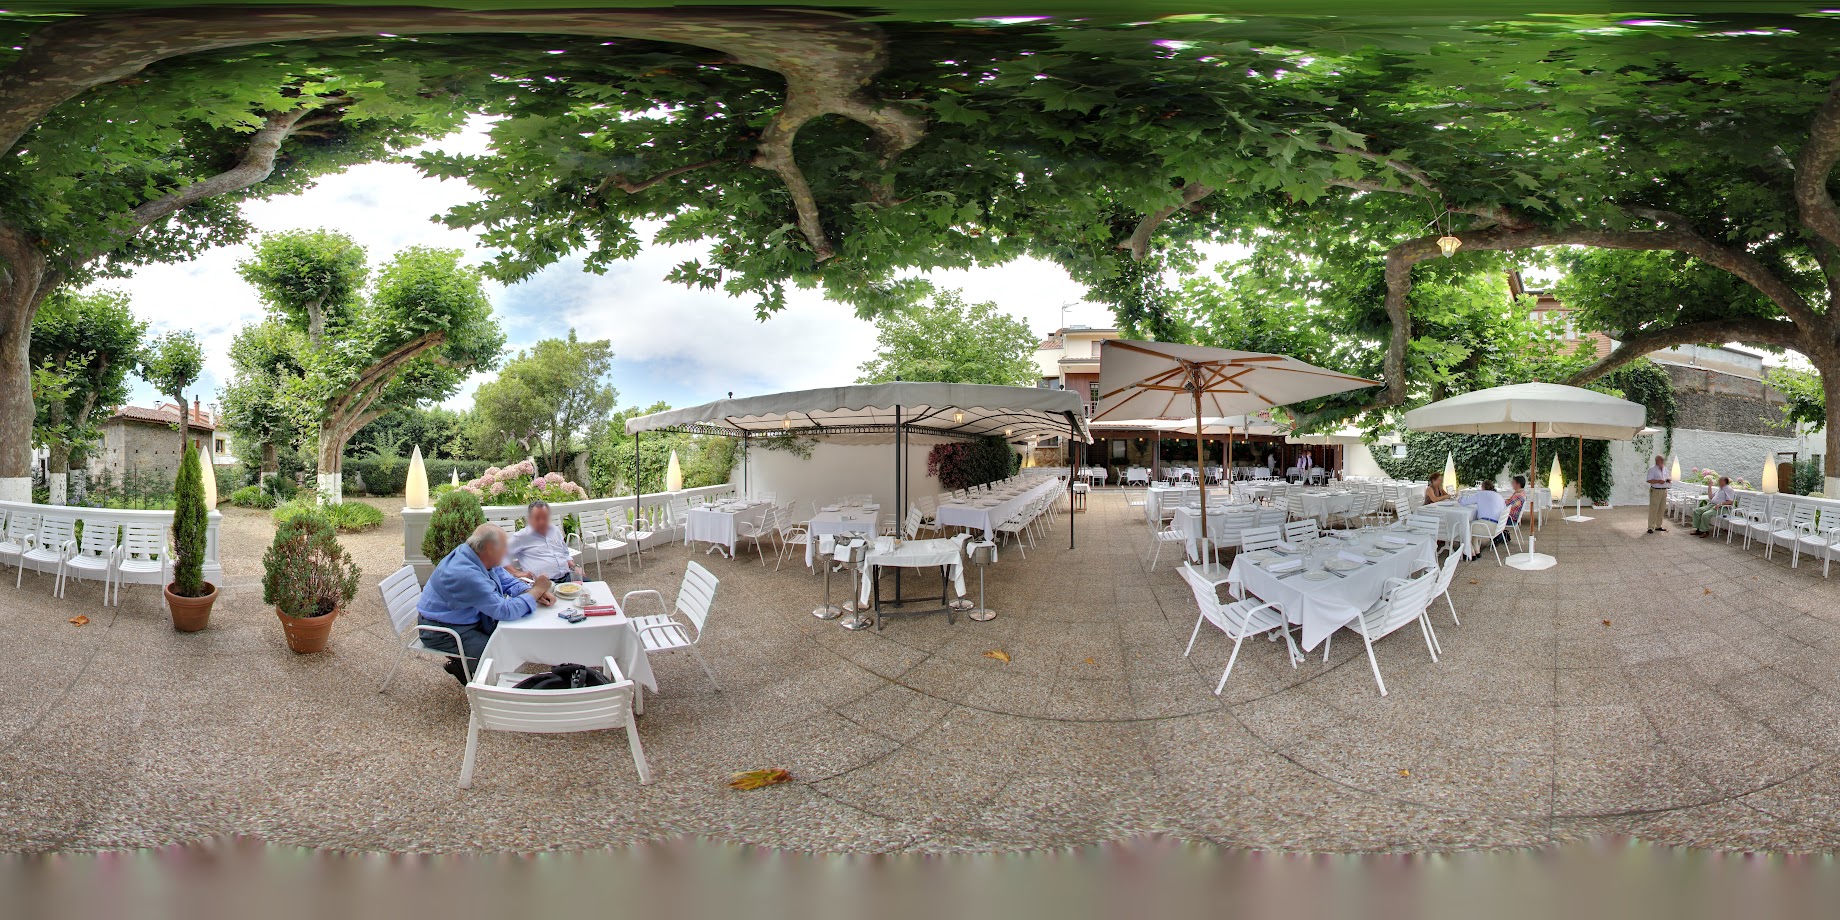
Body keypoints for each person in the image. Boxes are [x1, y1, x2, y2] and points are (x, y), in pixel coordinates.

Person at [417, 524, 554, 684]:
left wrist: (530, 592)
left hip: (464, 619)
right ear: (489, 548)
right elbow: (505, 611)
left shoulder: (475, 555)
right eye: (505, 546)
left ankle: (466, 666)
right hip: (442, 631)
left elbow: (506, 580)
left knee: (512, 636)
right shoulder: (466, 574)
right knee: (500, 654)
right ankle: (484, 686)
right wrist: (536, 590)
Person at [506, 500, 582, 584]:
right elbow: (498, 555)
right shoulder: (522, 536)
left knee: (590, 588)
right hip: (544, 584)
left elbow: (565, 553)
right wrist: (516, 573)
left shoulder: (555, 530)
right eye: (537, 518)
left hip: (567, 577)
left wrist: (575, 567)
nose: (542, 522)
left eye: (545, 517)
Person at [1645, 454, 1671, 534]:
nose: (1663, 461)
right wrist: (1658, 481)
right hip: (1656, 490)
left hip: (1664, 490)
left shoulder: (1665, 469)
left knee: (1661, 509)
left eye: (1663, 460)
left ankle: (1658, 525)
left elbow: (1667, 477)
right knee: (1654, 508)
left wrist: (1668, 480)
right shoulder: (1652, 469)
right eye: (1661, 460)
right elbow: (1649, 480)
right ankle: (1650, 527)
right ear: (1657, 461)